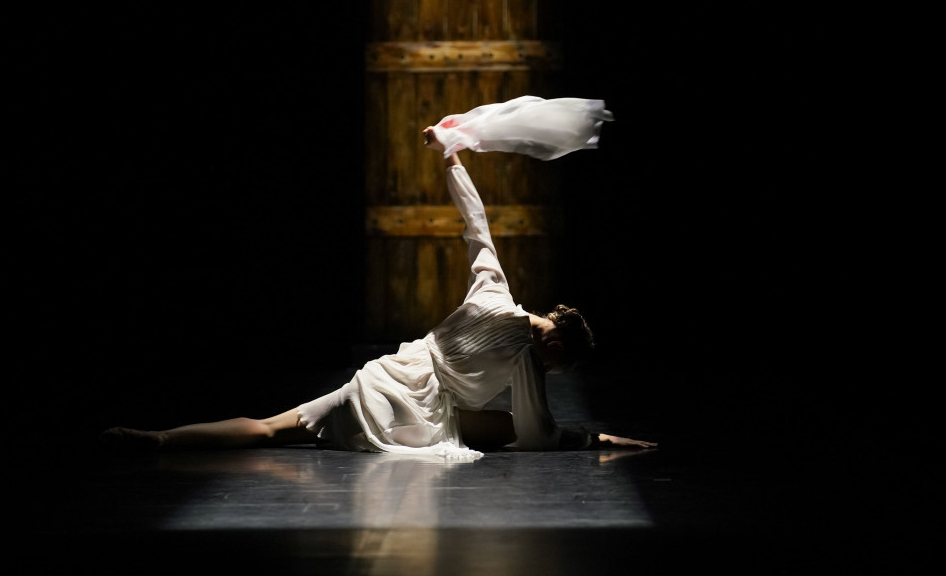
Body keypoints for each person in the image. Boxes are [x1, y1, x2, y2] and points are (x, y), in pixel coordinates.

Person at [100, 126, 655, 461]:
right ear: (554, 346)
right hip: (417, 417)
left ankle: (159, 438)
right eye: (557, 366)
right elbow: (537, 434)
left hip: (384, 378)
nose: (549, 371)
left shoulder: (494, 289)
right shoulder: (526, 355)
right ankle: (158, 441)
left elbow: (476, 221)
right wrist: (596, 440)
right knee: (512, 425)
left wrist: (450, 155)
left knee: (270, 427)